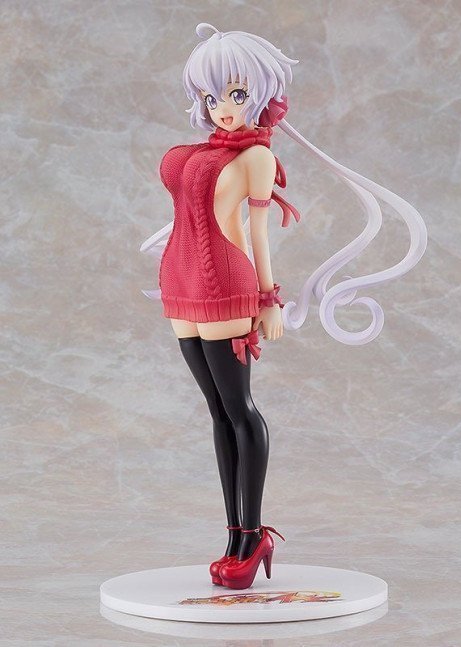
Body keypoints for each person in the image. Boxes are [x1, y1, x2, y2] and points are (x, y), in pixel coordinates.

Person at [140, 23, 427, 590]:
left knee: (238, 407)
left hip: (224, 280)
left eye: (236, 94)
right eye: (212, 96)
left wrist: (268, 299)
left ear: (264, 95)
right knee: (218, 412)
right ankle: (233, 535)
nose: (223, 108)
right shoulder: (197, 152)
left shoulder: (255, 157)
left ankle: (251, 537)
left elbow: (258, 235)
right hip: (179, 280)